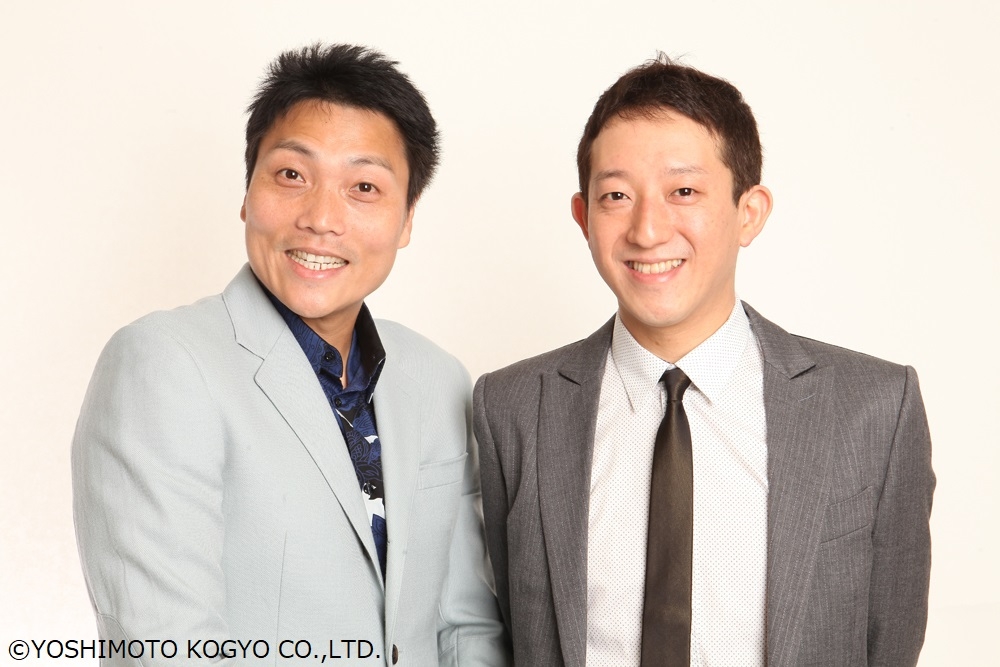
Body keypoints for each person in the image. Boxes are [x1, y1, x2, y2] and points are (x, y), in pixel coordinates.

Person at [473, 55, 934, 667]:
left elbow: (891, 636)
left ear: (749, 212)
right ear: (584, 218)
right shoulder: (511, 408)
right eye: (616, 196)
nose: (647, 230)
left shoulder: (875, 407)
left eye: (684, 192)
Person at [73, 43, 509, 666]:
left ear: (407, 218)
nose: (321, 218)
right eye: (291, 175)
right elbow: (166, 642)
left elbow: (466, 627)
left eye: (364, 186)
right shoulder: (162, 364)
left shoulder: (438, 380)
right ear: (248, 191)